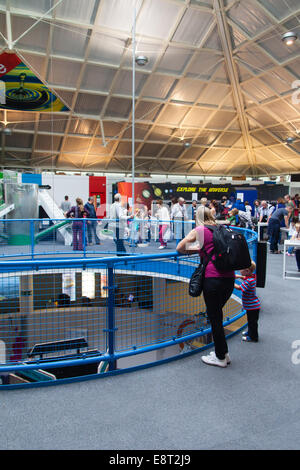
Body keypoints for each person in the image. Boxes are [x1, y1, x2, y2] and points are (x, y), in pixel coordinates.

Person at [177, 206, 235, 368]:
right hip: (228, 279)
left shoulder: (200, 230)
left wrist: (196, 248)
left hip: (213, 280)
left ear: (198, 217)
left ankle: (220, 357)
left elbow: (180, 247)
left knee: (215, 318)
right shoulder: (221, 228)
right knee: (217, 316)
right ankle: (223, 352)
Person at [234, 261, 261, 342]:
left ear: (247, 271)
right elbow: (244, 277)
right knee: (250, 321)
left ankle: (253, 337)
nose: (239, 271)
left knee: (253, 323)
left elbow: (239, 287)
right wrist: (239, 276)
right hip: (252, 306)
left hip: (253, 306)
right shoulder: (251, 277)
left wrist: (231, 282)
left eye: (241, 270)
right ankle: (250, 333)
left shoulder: (249, 281)